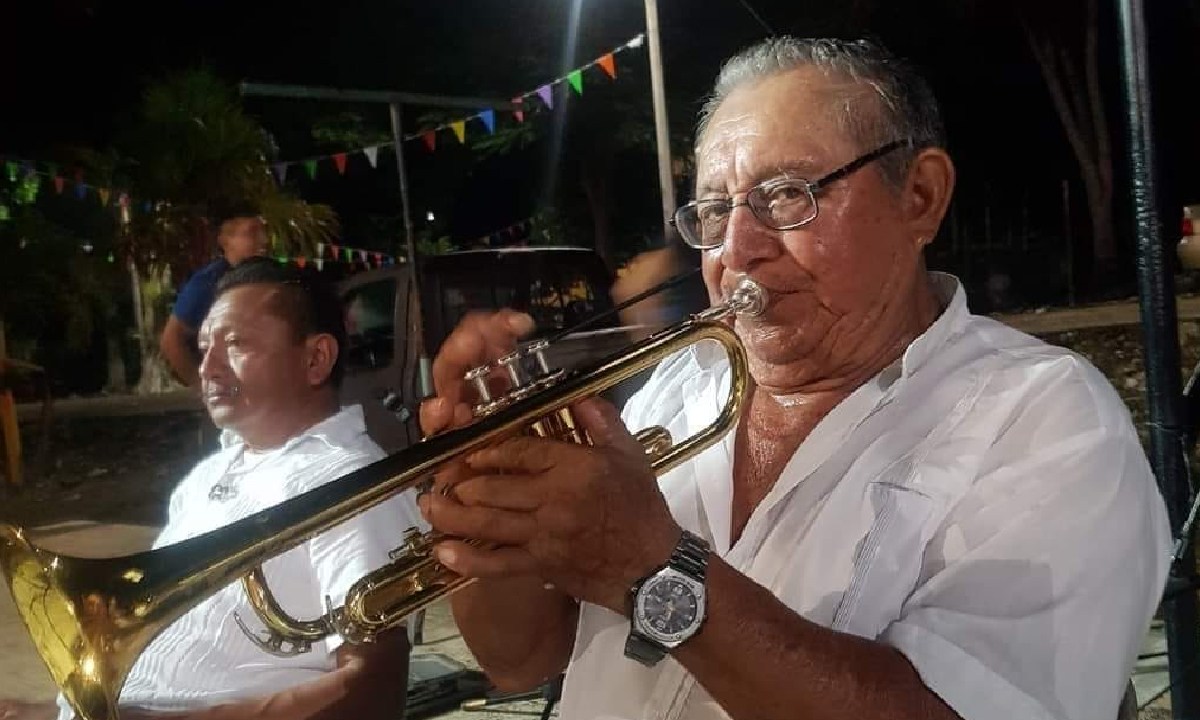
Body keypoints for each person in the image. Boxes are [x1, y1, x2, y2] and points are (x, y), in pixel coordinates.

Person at [415, 37, 1172, 720]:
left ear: (921, 197)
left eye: (787, 195)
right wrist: (481, 495)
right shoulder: (678, 388)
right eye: (713, 211)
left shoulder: (1046, 418)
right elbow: (518, 658)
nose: (736, 250)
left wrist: (652, 569)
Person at [2, 257, 423, 720]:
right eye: (204, 348)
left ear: (316, 359)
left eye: (237, 344)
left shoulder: (351, 484)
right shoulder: (209, 473)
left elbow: (374, 693)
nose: (208, 367)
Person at [161, 203, 269, 389]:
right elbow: (171, 340)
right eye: (252, 233)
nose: (264, 240)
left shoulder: (261, 277)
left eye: (263, 231)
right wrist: (203, 387)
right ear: (225, 241)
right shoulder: (209, 281)